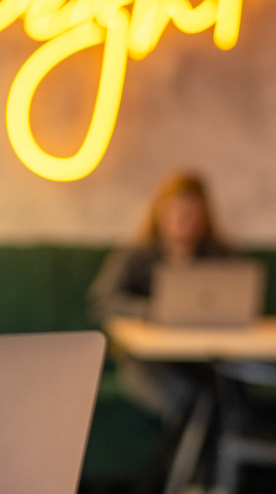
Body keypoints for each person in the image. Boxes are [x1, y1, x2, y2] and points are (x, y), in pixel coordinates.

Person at [87, 171, 232, 416]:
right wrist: (148, 310)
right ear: (160, 212)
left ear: (204, 217)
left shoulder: (219, 256)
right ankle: (195, 430)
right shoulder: (136, 255)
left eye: (192, 214)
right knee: (185, 396)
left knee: (223, 386)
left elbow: (238, 300)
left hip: (204, 357)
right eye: (178, 212)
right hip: (148, 359)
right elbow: (101, 301)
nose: (185, 221)